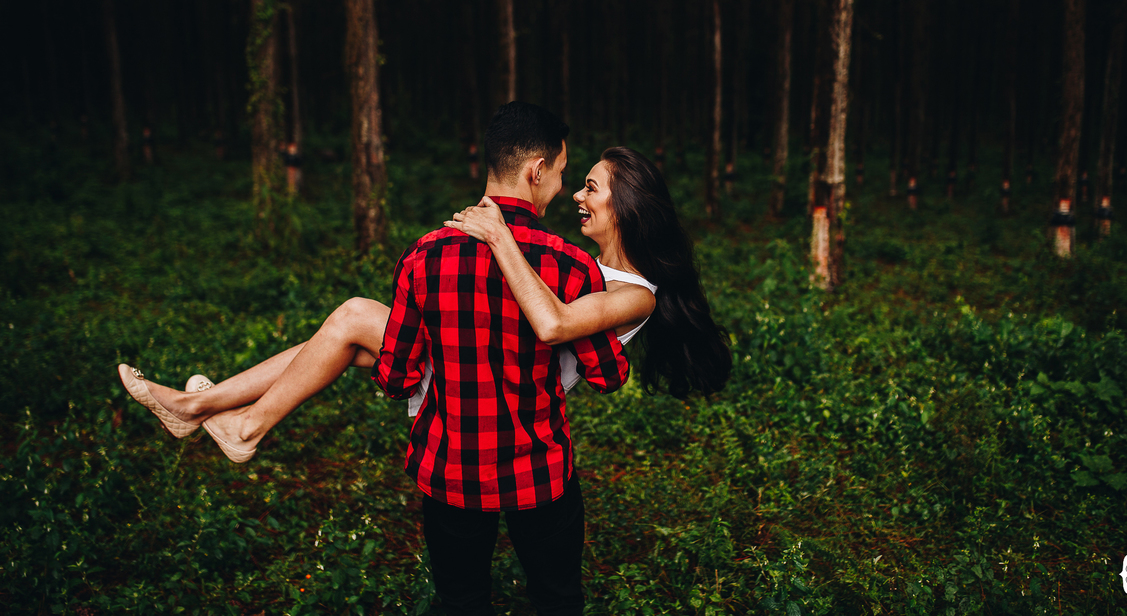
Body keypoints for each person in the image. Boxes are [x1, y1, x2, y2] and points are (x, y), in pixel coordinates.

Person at [118, 103, 730, 614]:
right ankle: (202, 406)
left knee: (355, 323)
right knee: (351, 321)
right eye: (574, 176)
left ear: (627, 204)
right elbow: (567, 336)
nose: (575, 191)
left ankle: (233, 419)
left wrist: (497, 235)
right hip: (491, 387)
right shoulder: (575, 265)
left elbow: (559, 329)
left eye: (589, 185)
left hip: (471, 385)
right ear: (536, 171)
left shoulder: (628, 292)